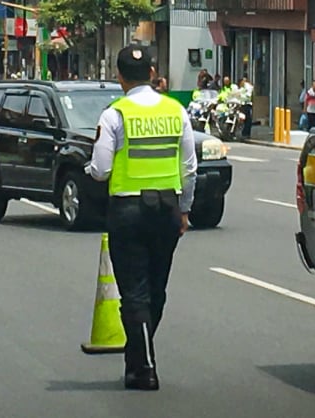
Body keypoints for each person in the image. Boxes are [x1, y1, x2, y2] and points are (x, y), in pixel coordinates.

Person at [88, 45, 197, 391]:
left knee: (134, 293)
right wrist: (184, 209)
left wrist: (89, 169)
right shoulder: (176, 111)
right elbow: (190, 167)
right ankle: (138, 359)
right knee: (156, 290)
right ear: (153, 73)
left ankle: (144, 366)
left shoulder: (113, 115)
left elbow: (102, 170)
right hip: (167, 209)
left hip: (128, 212)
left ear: (119, 77)